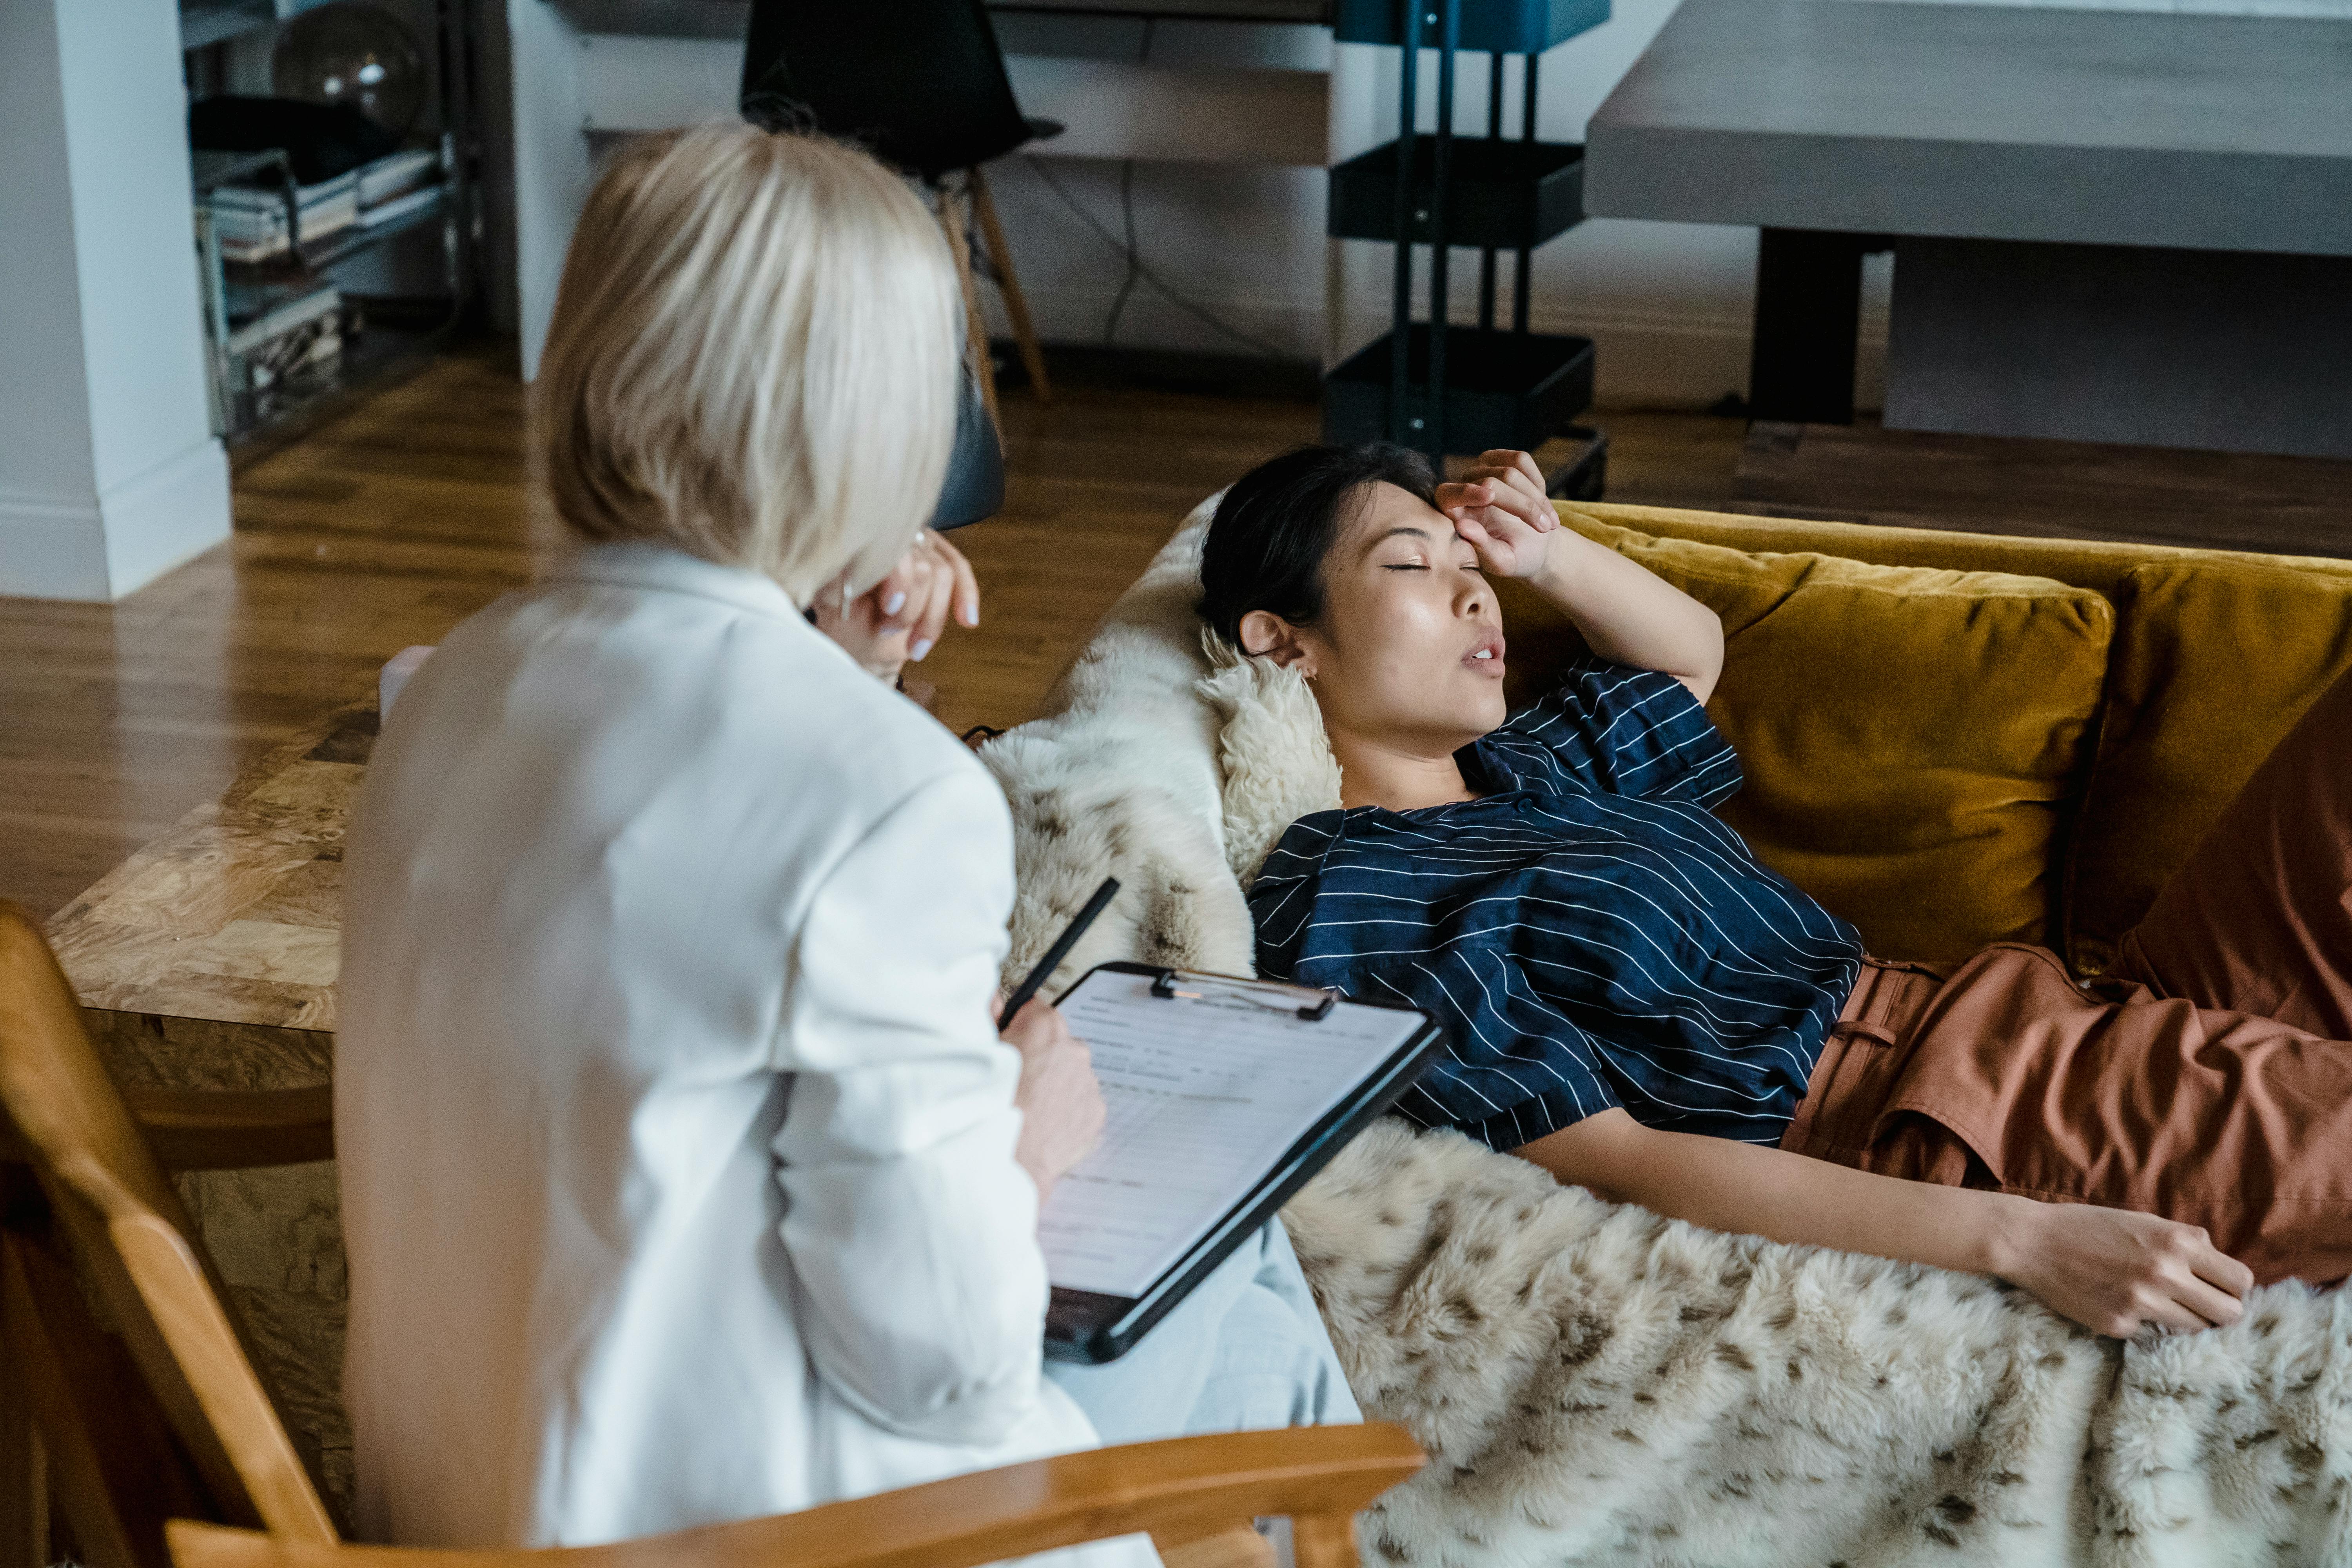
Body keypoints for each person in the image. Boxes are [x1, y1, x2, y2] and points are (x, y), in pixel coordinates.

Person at [337, 123, 1351, 1553]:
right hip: (744, 1521)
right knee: (1242, 1265)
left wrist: (845, 678)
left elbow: (675, 907)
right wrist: (1022, 1148)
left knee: (1240, 1293)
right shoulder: (888, 799)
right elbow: (940, 1360)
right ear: (879, 416)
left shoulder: (451, 684)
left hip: (462, 1482)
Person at [1198, 440, 2352, 1341]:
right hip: (1948, 1116)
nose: (1474, 600)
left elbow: (1689, 655)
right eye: (1412, 566)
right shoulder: (1352, 889)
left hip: (2051, 1008)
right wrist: (2026, 1239)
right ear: (1280, 641)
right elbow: (1613, 1163)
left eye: (1472, 572)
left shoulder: (1530, 770)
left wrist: (1545, 552)